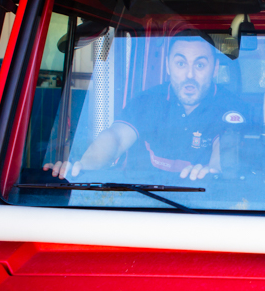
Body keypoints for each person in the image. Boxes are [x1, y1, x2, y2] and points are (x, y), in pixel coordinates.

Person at [45, 30, 247, 181]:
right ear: (168, 66)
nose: (190, 75)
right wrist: (83, 167)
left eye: (200, 65)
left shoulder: (232, 108)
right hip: (144, 206)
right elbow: (115, 137)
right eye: (180, 63)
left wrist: (213, 173)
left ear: (215, 69)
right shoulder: (147, 101)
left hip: (204, 207)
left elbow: (227, 147)